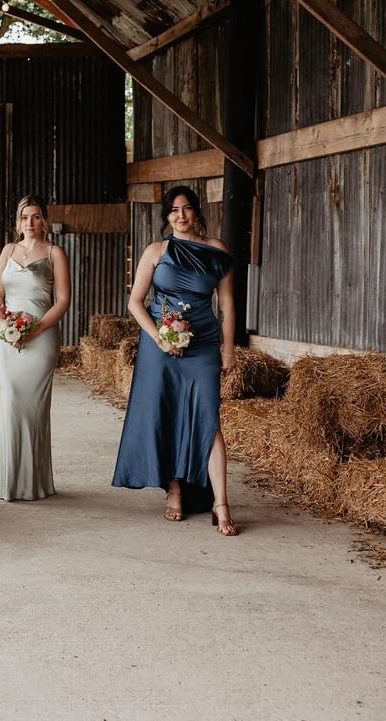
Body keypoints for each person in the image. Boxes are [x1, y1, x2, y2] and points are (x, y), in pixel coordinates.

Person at [112, 185, 238, 536]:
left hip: (203, 345)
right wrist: (160, 339)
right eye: (173, 211)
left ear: (196, 211)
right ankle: (175, 490)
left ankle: (221, 503)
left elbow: (226, 305)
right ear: (166, 217)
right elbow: (135, 302)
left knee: (208, 419)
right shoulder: (157, 251)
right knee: (165, 414)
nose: (180, 216)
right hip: (160, 347)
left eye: (186, 208)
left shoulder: (216, 250)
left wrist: (228, 351)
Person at [0, 194, 71, 501]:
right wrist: (1, 318)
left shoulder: (54, 253)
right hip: (6, 338)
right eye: (25, 217)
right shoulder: (8, 250)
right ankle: (11, 482)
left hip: (42, 336)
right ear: (18, 221)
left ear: (45, 220)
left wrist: (36, 328)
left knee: (34, 409)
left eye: (36, 217)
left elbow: (63, 300)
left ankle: (35, 483)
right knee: (10, 401)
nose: (30, 223)